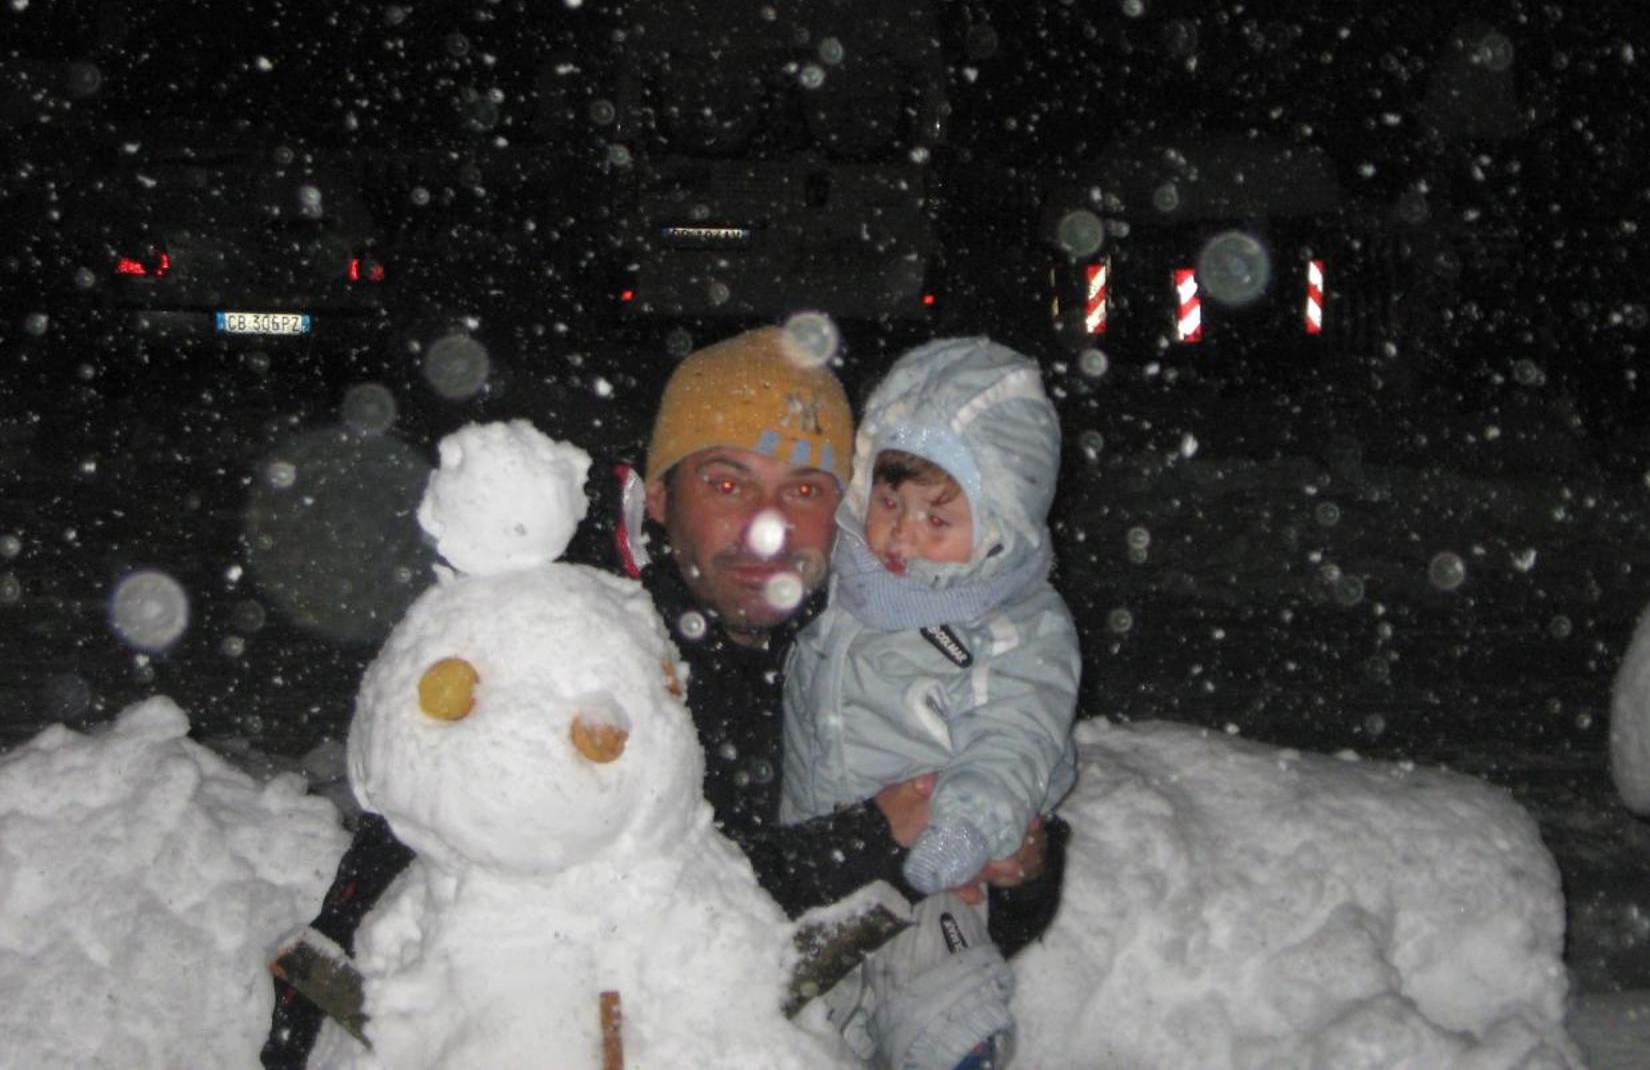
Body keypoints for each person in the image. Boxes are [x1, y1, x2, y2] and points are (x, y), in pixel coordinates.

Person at [264, 324, 1063, 1068]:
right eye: (727, 481)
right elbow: (651, 906)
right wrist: (874, 835)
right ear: (657, 497)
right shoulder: (568, 656)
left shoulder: (858, 629)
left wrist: (1018, 860)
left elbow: (956, 880)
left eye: (807, 489)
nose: (767, 529)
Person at [781, 337, 1080, 1070]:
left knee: (937, 1011)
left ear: (998, 527)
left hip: (937, 878)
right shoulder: (844, 585)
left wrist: (969, 826)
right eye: (889, 501)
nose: (900, 535)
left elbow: (1016, 736)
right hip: (830, 875)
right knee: (814, 1028)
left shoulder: (1009, 625)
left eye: (936, 520)